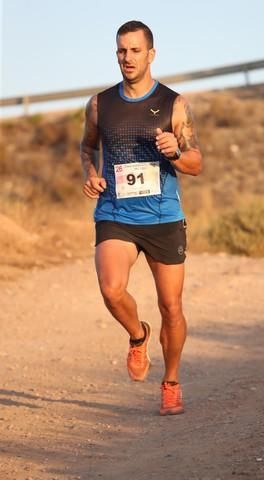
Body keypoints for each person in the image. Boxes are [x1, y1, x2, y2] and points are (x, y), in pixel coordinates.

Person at [80, 20, 202, 415]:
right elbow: (87, 148)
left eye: (135, 50)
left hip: (164, 216)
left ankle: (171, 382)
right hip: (116, 212)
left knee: (171, 307)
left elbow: (196, 163)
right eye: (121, 50)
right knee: (111, 289)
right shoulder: (100, 104)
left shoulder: (174, 104)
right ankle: (137, 335)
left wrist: (175, 153)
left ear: (151, 54)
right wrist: (92, 174)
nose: (127, 58)